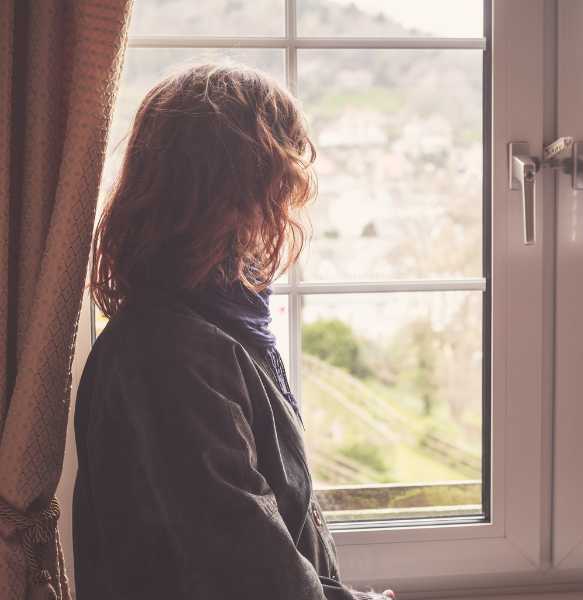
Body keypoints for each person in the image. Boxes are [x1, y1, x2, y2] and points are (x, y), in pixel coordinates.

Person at [72, 62, 395, 600]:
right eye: (282, 177)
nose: (290, 201)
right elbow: (250, 572)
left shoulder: (220, 327)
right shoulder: (170, 356)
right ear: (236, 193)